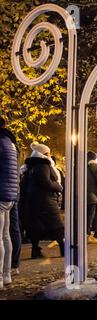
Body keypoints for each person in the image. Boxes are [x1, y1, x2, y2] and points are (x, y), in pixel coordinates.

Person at [20, 142, 64, 259]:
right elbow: (46, 182)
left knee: (36, 228)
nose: (50, 155)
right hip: (46, 202)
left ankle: (35, 251)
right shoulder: (43, 165)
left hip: (33, 202)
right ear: (43, 154)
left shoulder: (29, 168)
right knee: (56, 227)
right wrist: (58, 187)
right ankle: (63, 249)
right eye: (48, 153)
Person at [0, 117, 18, 288]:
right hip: (9, 195)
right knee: (5, 236)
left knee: (1, 236)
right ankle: (6, 275)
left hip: (1, 192)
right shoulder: (10, 142)